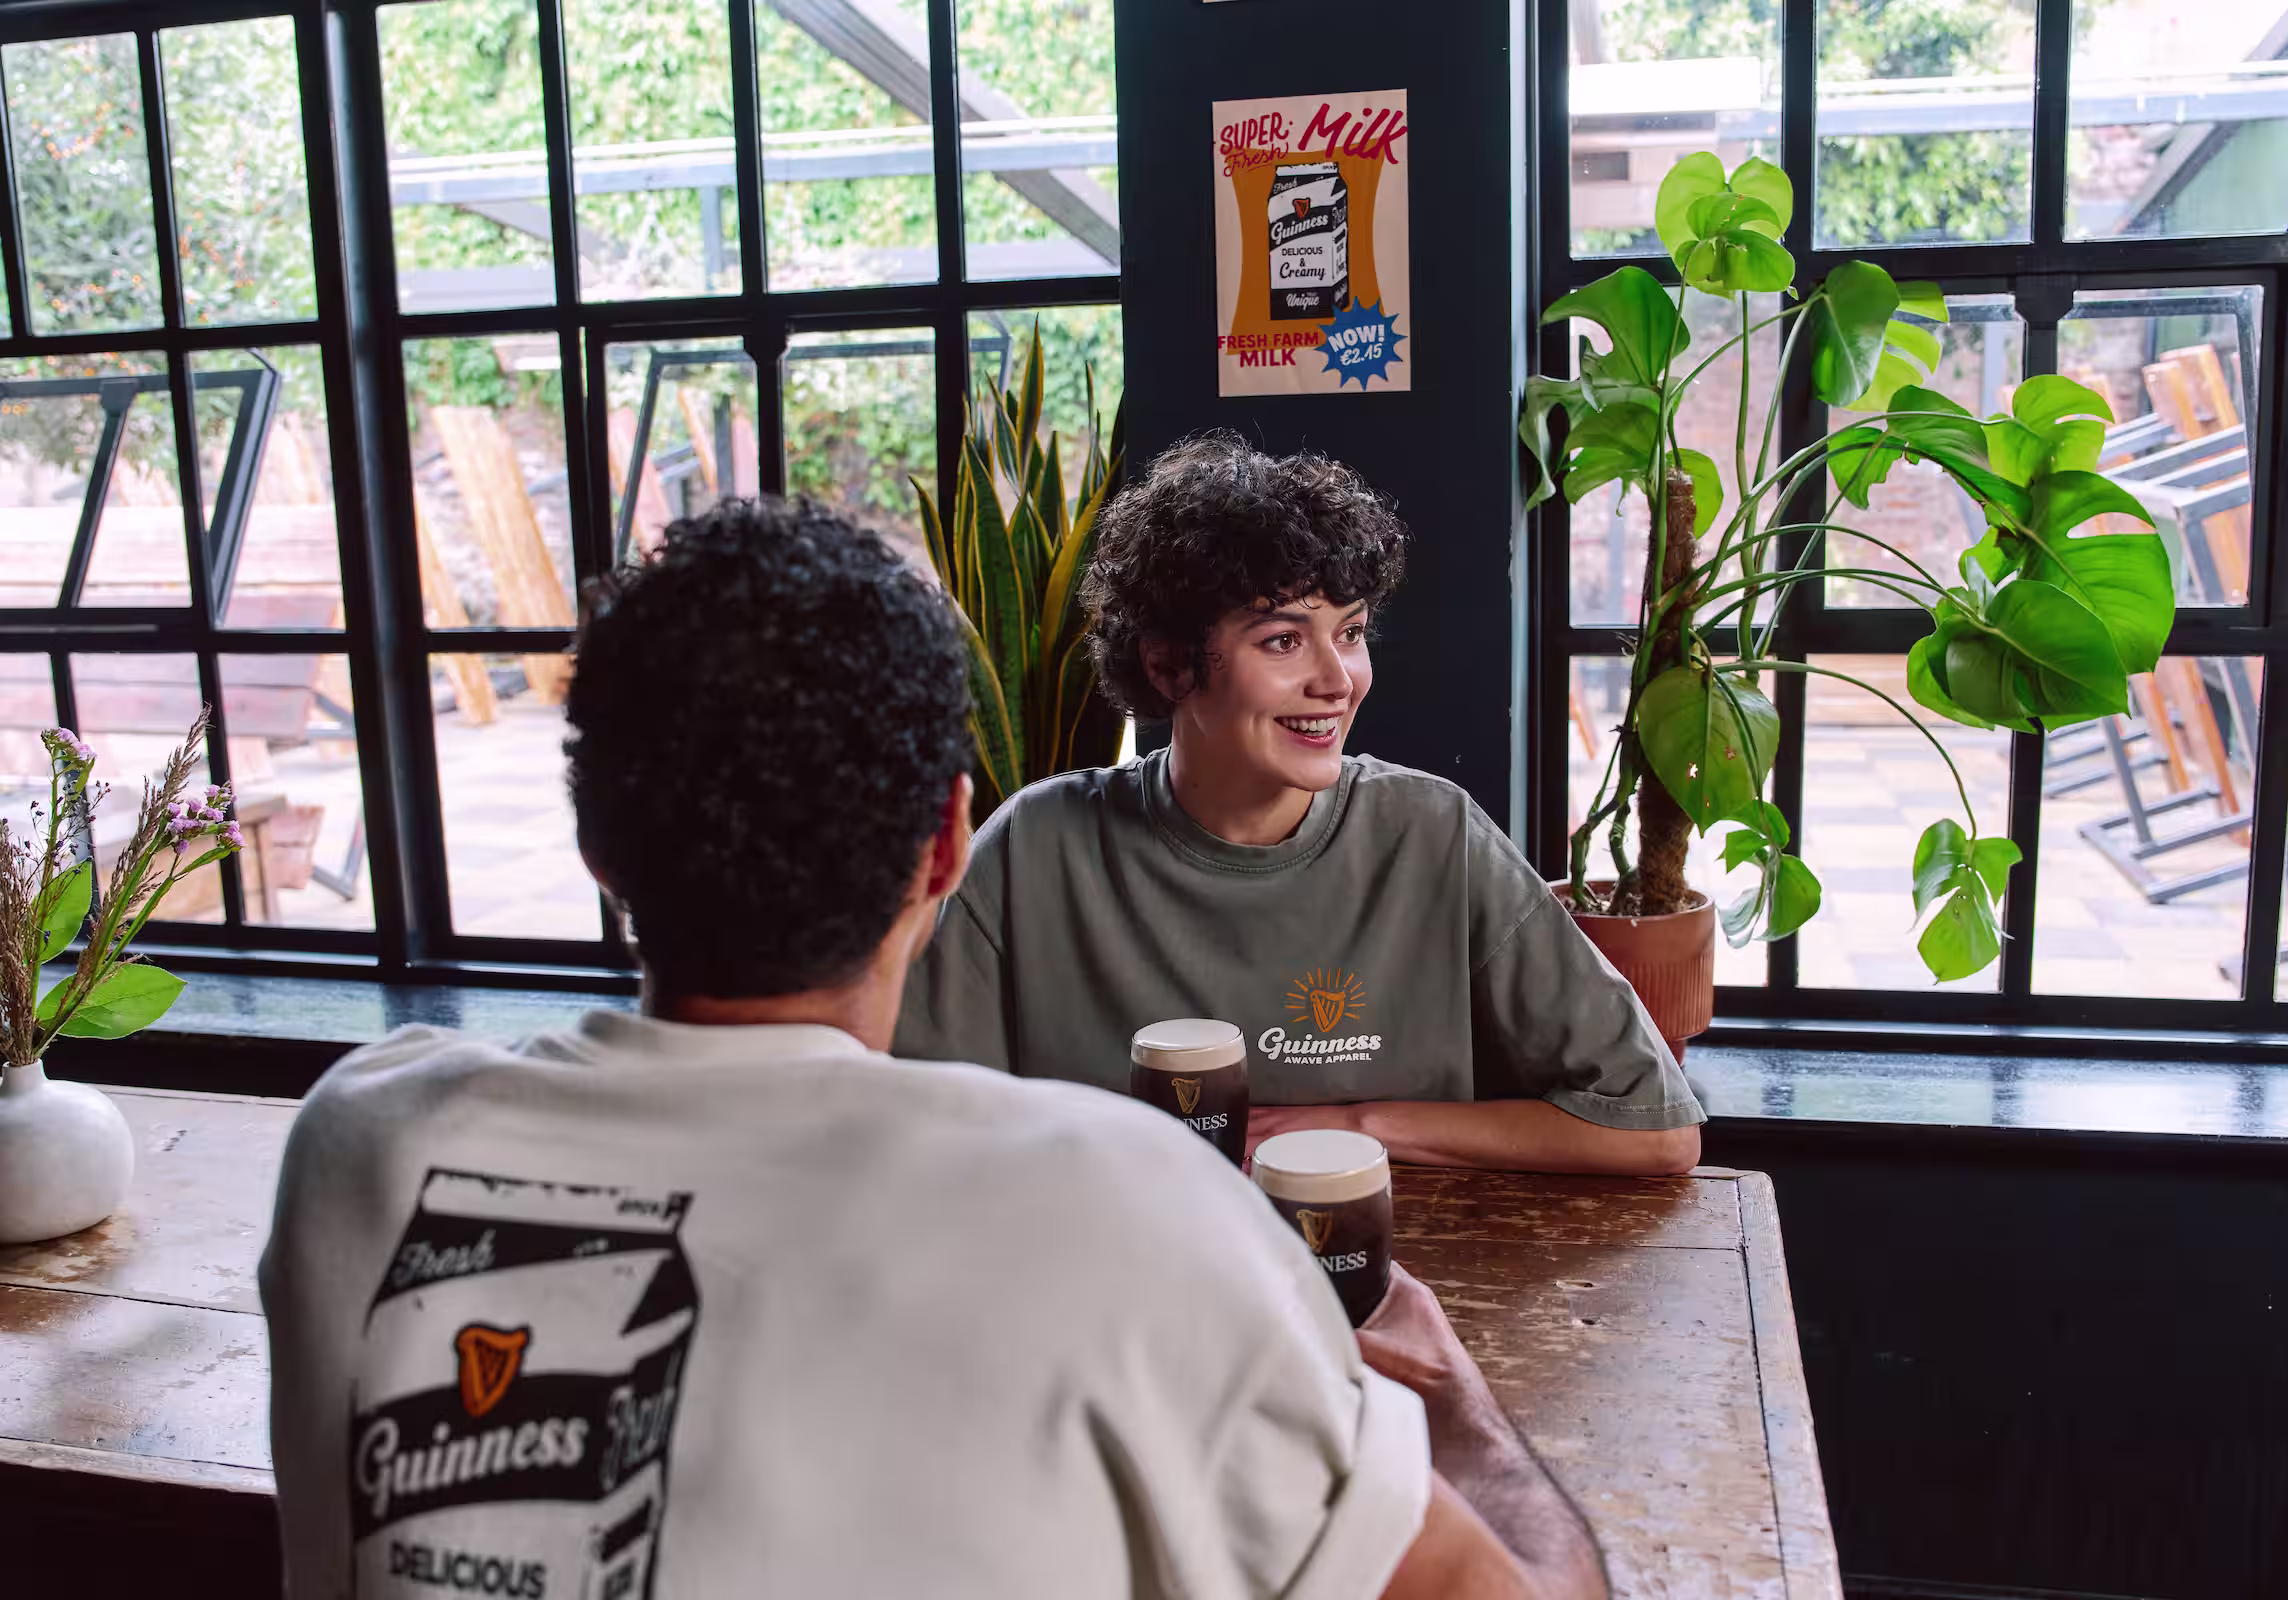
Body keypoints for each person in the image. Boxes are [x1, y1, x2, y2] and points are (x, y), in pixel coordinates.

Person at [258, 499, 1606, 1599]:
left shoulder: (362, 1143)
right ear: (951, 844)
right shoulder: (1138, 1206)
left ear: (597, 850)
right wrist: (1460, 1409)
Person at [897, 435, 1704, 1176]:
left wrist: (1357, 1124)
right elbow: (913, 1133)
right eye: (1283, 641)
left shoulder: (1434, 835)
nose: (1337, 680)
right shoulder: (1035, 847)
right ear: (1170, 666)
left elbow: (1657, 1129)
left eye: (1350, 633)